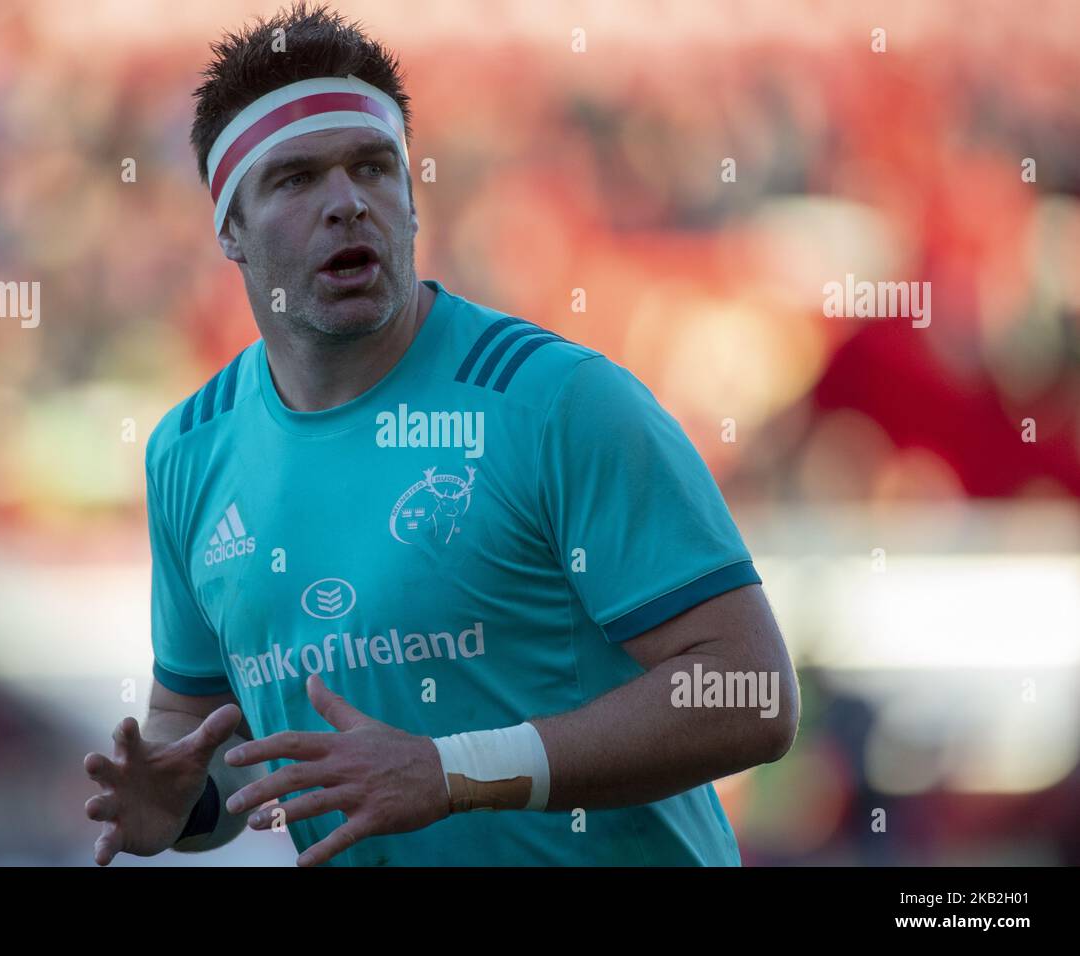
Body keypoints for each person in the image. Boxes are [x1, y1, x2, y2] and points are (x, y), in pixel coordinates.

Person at [84, 1, 799, 867]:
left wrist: (452, 771)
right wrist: (184, 803)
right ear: (229, 230)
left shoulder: (558, 403)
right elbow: (202, 737)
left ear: (412, 198)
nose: (347, 203)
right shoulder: (189, 452)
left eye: (373, 168)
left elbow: (753, 694)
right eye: (296, 179)